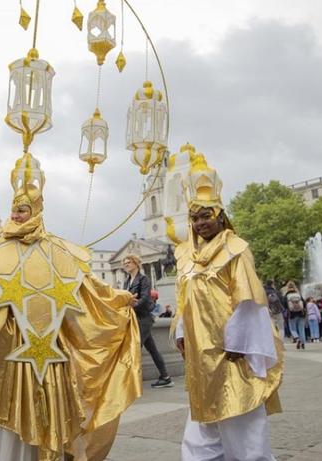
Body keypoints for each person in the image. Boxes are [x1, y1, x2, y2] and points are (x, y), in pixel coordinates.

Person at [0, 153, 141, 460]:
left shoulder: (59, 251)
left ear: (38, 211)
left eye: (24, 210)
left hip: (49, 353)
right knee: (1, 416)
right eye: (15, 209)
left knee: (47, 414)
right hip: (7, 348)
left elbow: (87, 290)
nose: (17, 216)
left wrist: (118, 299)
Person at [173, 153, 283, 461]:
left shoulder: (236, 250)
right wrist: (182, 332)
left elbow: (248, 301)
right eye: (195, 217)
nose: (200, 223)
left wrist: (241, 343)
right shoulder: (185, 256)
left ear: (220, 216)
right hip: (201, 356)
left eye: (206, 215)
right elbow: (186, 299)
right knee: (203, 425)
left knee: (242, 424)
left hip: (231, 353)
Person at [123, 255, 172, 388]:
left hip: (143, 318)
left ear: (136, 264)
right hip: (134, 318)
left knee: (134, 348)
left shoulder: (143, 279)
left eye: (128, 262)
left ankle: (129, 380)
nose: (126, 265)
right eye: (125, 263)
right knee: (152, 349)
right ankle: (165, 377)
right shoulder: (127, 281)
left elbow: (145, 297)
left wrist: (132, 305)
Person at [282, 281, 306, 350]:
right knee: (301, 329)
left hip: (291, 314)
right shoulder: (298, 294)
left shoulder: (286, 295)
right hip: (301, 313)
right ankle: (303, 343)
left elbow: (284, 305)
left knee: (292, 328)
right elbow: (304, 303)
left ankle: (297, 338)